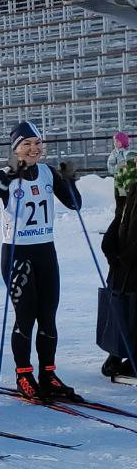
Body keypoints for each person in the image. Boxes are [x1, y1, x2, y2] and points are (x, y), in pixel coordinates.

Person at [0, 122, 82, 400]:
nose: (34, 148)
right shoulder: (7, 174)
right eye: (27, 144)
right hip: (17, 255)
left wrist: (70, 179)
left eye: (37, 143)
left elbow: (75, 205)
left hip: (45, 252)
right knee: (25, 317)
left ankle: (48, 374)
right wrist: (0, 186)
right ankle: (23, 374)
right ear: (16, 148)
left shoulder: (48, 173)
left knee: (48, 317)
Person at [102, 185, 137, 379]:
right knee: (120, 306)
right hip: (122, 267)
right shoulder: (131, 188)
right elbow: (120, 217)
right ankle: (117, 351)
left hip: (131, 262)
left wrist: (127, 257)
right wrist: (109, 244)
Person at [106, 132, 136, 210]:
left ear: (123, 142)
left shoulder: (130, 152)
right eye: (114, 141)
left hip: (130, 182)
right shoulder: (114, 153)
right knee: (121, 204)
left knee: (130, 204)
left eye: (117, 141)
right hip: (119, 184)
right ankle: (120, 219)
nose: (115, 143)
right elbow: (110, 168)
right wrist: (118, 166)